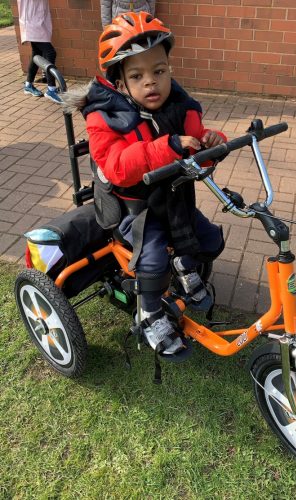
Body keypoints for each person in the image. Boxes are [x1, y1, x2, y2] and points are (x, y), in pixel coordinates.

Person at [63, 12, 226, 357]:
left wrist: (211, 142)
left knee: (209, 239)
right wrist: (166, 148)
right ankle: (149, 313)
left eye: (159, 71)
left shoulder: (176, 106)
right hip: (134, 210)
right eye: (137, 75)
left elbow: (196, 145)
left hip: (174, 200)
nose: (151, 82)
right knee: (152, 264)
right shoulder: (102, 119)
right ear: (120, 83)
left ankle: (185, 265)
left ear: (170, 70)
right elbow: (118, 168)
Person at [17, 0, 62, 104]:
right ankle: (51, 89)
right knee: (50, 52)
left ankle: (28, 85)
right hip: (32, 22)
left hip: (38, 20)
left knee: (36, 53)